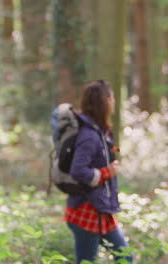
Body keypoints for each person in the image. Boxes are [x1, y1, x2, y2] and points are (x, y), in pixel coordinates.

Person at [65, 80, 133, 263]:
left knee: (126, 258)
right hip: (85, 212)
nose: (114, 101)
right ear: (104, 101)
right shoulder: (89, 136)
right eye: (111, 97)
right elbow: (78, 171)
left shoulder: (100, 132)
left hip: (101, 209)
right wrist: (105, 173)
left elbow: (107, 151)